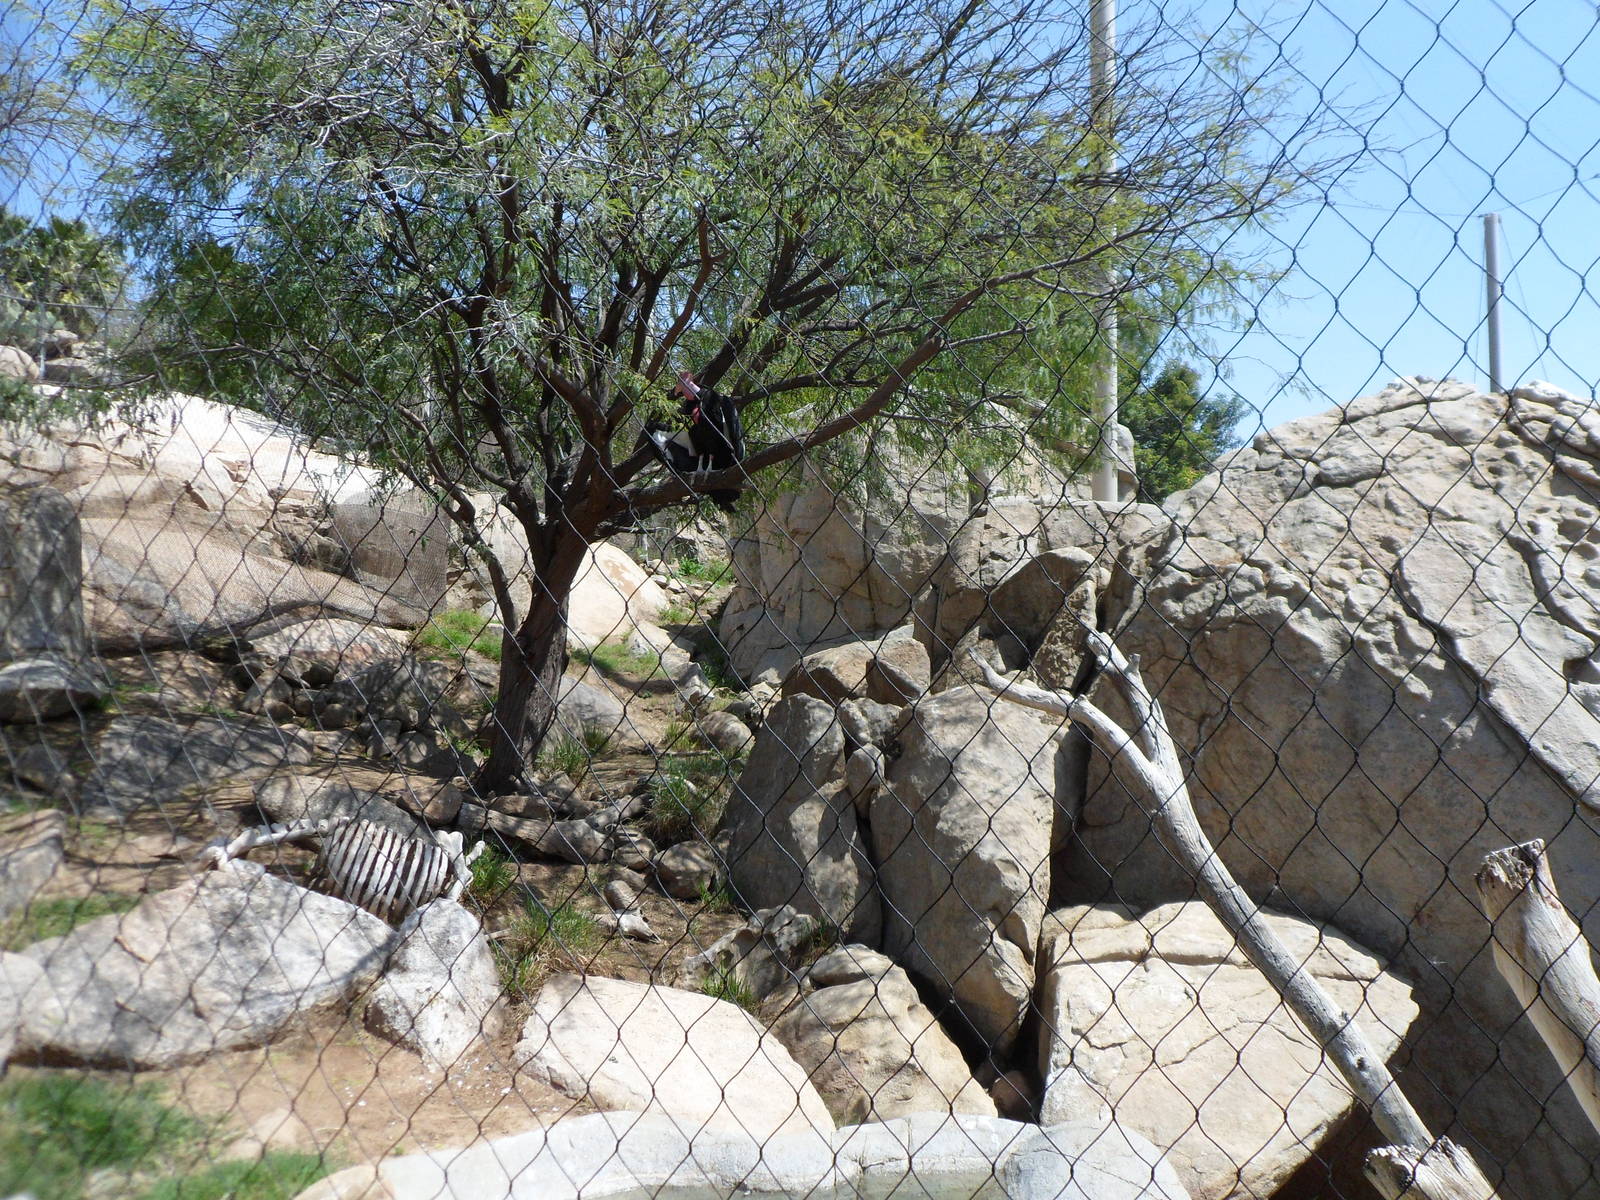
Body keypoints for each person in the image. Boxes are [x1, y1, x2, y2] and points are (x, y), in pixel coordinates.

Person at [640, 370, 745, 512]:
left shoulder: (721, 404)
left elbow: (734, 438)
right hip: (701, 462)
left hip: (726, 459)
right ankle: (698, 471)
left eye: (684, 384)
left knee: (703, 434)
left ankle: (719, 488)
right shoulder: (693, 412)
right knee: (653, 430)